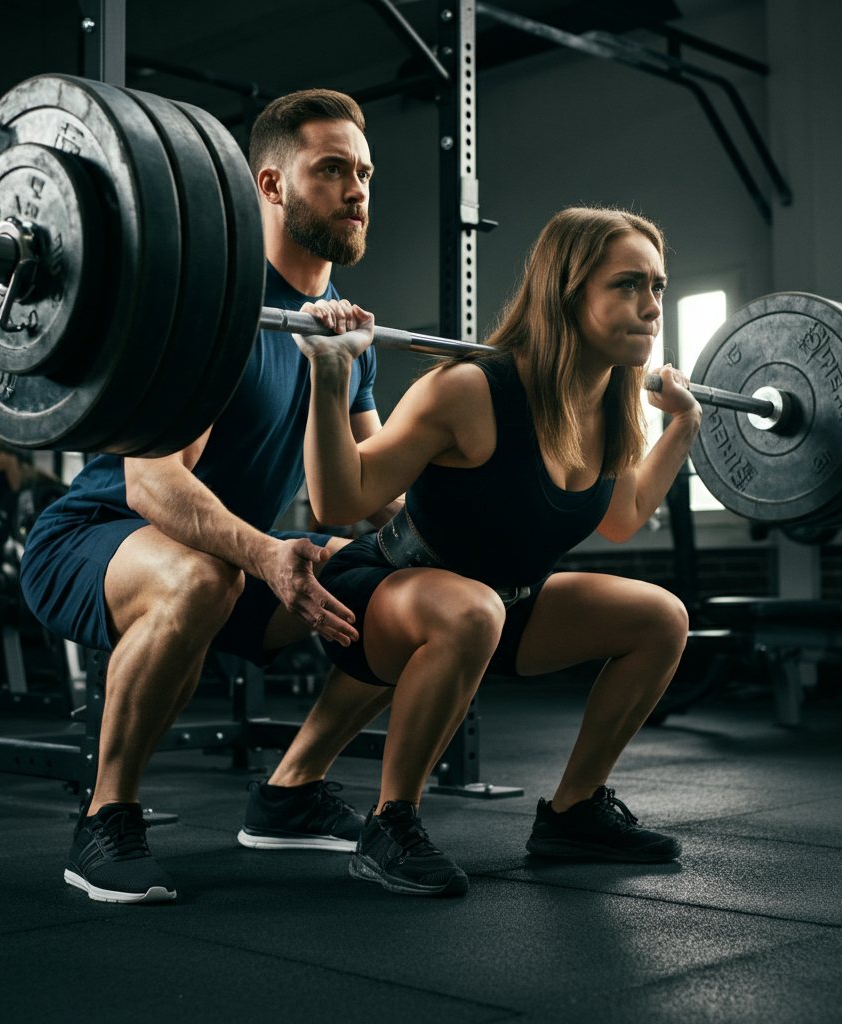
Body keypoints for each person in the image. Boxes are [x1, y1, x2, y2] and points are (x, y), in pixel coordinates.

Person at [20, 89, 404, 904]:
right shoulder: (222, 311)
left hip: (234, 565)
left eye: (364, 172)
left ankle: (292, 792)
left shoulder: (346, 334)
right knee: (202, 576)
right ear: (269, 186)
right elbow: (150, 480)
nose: (357, 189)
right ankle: (105, 816)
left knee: (406, 593)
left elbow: (374, 494)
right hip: (96, 539)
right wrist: (269, 555)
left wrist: (477, 543)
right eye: (331, 170)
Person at [292, 206, 701, 896]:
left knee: (661, 617)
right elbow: (341, 501)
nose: (652, 306)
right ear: (567, 293)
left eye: (658, 287)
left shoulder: (608, 403)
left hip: (501, 607)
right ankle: (391, 823)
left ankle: (573, 811)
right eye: (629, 285)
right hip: (382, 595)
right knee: (472, 609)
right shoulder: (470, 391)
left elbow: (625, 518)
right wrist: (331, 377)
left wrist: (682, 428)